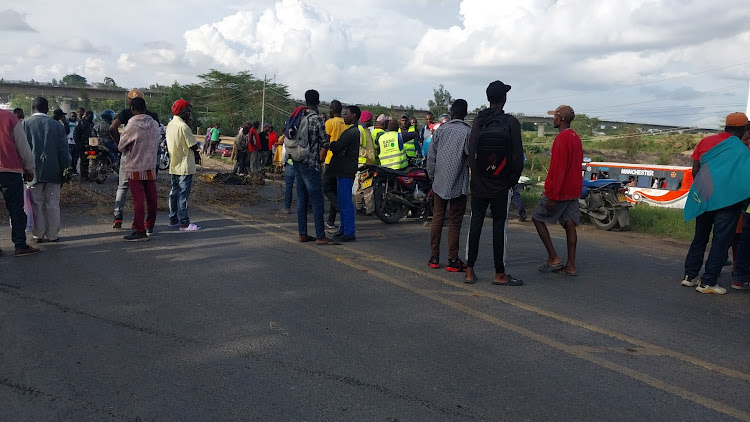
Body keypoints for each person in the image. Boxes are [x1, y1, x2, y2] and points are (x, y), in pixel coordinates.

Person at [681, 113, 750, 294]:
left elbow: (696, 170)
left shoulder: (706, 142)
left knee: (700, 238)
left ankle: (689, 276)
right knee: (720, 241)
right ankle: (708, 282)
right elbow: (744, 180)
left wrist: (706, 191)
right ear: (743, 129)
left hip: (704, 198)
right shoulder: (742, 150)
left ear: (725, 126)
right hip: (727, 203)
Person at [464, 81, 524, 286]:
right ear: (504, 99)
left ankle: (469, 271)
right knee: (499, 227)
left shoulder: (478, 121)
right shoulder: (511, 122)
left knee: (475, 224)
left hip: (479, 184)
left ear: (488, 99)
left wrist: (477, 176)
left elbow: (471, 153)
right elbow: (517, 158)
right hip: (500, 184)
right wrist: (510, 181)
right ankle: (499, 274)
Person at [532, 105, 583, 277]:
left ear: (560, 118)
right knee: (570, 224)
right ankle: (571, 265)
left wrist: (552, 195)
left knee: (537, 218)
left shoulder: (561, 139)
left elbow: (558, 169)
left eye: (554, 116)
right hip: (573, 190)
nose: (553, 118)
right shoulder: (576, 137)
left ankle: (553, 257)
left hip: (559, 191)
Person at [427, 99, 471, 272]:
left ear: (452, 113)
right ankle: (452, 260)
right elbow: (470, 159)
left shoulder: (440, 131)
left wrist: (432, 178)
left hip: (439, 183)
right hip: (459, 184)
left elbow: (431, 158)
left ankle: (434, 257)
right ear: (465, 114)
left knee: (437, 218)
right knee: (455, 222)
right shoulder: (468, 132)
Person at [22, 96, 71, 243]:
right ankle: (52, 234)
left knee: (36, 203)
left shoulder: (25, 124)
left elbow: (22, 149)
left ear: (33, 108)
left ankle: (38, 233)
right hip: (54, 170)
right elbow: (63, 151)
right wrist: (66, 170)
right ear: (47, 108)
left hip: (32, 172)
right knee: (52, 203)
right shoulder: (57, 126)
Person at [109, 89, 160, 229]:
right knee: (149, 194)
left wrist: (119, 145)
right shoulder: (153, 118)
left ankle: (118, 217)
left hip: (132, 158)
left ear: (131, 103)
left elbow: (112, 128)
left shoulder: (127, 116)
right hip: (149, 159)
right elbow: (160, 135)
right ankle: (147, 224)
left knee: (124, 187)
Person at [293, 89, 338, 245]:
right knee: (317, 200)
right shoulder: (317, 119)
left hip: (297, 162)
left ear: (305, 101)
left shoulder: (299, 116)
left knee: (301, 200)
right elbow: (325, 143)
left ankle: (302, 234)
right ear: (318, 102)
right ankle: (320, 236)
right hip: (311, 164)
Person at [0, 109, 40, 256]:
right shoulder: (8, 117)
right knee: (16, 209)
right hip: (10, 170)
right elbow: (23, 145)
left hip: (10, 170)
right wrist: (29, 168)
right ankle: (20, 245)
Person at [327, 105, 361, 242]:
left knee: (346, 202)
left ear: (354, 116)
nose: (344, 116)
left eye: (346, 114)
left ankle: (349, 231)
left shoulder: (352, 132)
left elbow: (336, 145)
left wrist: (336, 147)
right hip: (343, 170)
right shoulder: (349, 131)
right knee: (342, 201)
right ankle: (343, 229)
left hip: (346, 171)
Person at [166, 99, 200, 231]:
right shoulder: (184, 127)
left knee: (173, 193)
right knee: (183, 195)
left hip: (174, 164)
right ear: (182, 112)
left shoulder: (170, 124)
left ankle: (173, 219)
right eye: (188, 112)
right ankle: (185, 223)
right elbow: (193, 146)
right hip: (185, 165)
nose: (189, 115)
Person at [324, 100, 346, 229]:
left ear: (332, 110)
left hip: (330, 160)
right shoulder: (346, 124)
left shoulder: (329, 123)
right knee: (336, 191)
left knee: (326, 188)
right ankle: (331, 221)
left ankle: (338, 208)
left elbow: (325, 142)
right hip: (343, 161)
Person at [73, 110, 94, 179]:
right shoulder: (81, 123)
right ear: (86, 116)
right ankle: (83, 176)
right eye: (90, 116)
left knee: (92, 160)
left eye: (92, 116)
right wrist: (80, 145)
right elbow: (76, 135)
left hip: (92, 145)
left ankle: (90, 175)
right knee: (84, 161)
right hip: (83, 145)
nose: (92, 117)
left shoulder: (92, 124)